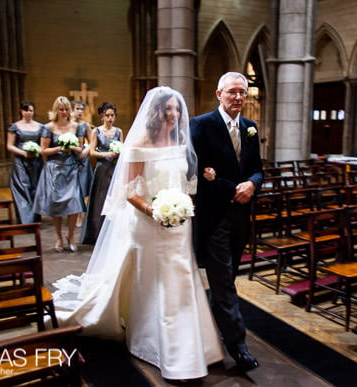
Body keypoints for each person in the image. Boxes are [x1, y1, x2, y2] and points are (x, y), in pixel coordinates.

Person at [52, 87, 224, 381]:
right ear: (156, 112)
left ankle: (194, 346)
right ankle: (156, 343)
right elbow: (130, 191)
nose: (173, 114)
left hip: (178, 224)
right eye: (167, 109)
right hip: (147, 222)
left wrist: (185, 204)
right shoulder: (140, 142)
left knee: (181, 280)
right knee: (154, 282)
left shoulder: (182, 140)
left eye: (177, 109)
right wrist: (155, 211)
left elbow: (187, 182)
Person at [189, 72, 264, 371]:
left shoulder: (250, 128)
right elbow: (195, 173)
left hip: (241, 217)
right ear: (218, 93)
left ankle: (210, 322)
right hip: (214, 216)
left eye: (242, 93)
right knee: (224, 282)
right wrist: (234, 188)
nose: (238, 98)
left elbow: (258, 168)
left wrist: (253, 184)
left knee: (227, 278)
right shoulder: (201, 124)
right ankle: (238, 346)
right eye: (232, 92)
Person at [33, 96, 85, 252]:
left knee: (74, 202)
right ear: (56, 110)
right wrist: (59, 148)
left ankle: (71, 235)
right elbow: (43, 150)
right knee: (56, 204)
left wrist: (73, 147)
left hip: (71, 168)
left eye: (66, 109)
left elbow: (81, 148)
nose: (64, 112)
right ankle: (58, 237)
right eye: (61, 109)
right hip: (54, 169)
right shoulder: (48, 127)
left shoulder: (77, 127)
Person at [80, 102, 123, 245]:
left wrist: (119, 153)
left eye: (112, 115)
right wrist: (106, 155)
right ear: (102, 116)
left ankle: (114, 233)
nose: (110, 118)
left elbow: (122, 149)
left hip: (115, 169)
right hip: (102, 168)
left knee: (115, 199)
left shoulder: (118, 131)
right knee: (100, 199)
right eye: (107, 115)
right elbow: (92, 152)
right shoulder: (96, 131)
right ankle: (97, 233)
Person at [6, 101, 44, 224]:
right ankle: (25, 219)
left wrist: (38, 151)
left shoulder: (40, 126)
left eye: (31, 110)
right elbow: (10, 146)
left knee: (36, 188)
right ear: (21, 111)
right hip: (21, 161)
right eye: (26, 110)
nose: (28, 113)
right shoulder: (15, 127)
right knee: (23, 188)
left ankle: (35, 217)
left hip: (36, 162)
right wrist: (23, 153)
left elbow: (43, 144)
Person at [72, 100, 94, 228]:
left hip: (83, 158)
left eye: (81, 109)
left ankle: (83, 214)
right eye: (77, 109)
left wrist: (85, 152)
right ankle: (77, 215)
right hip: (71, 158)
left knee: (81, 187)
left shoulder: (85, 125)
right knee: (74, 189)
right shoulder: (69, 124)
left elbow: (92, 141)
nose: (80, 111)